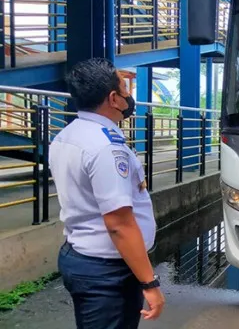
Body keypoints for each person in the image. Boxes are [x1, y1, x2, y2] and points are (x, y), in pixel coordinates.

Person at [50, 58, 165, 328]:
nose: (129, 96)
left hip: (84, 257)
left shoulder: (67, 136)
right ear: (113, 99)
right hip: (107, 272)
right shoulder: (106, 147)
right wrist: (150, 283)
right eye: (125, 89)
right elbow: (119, 225)